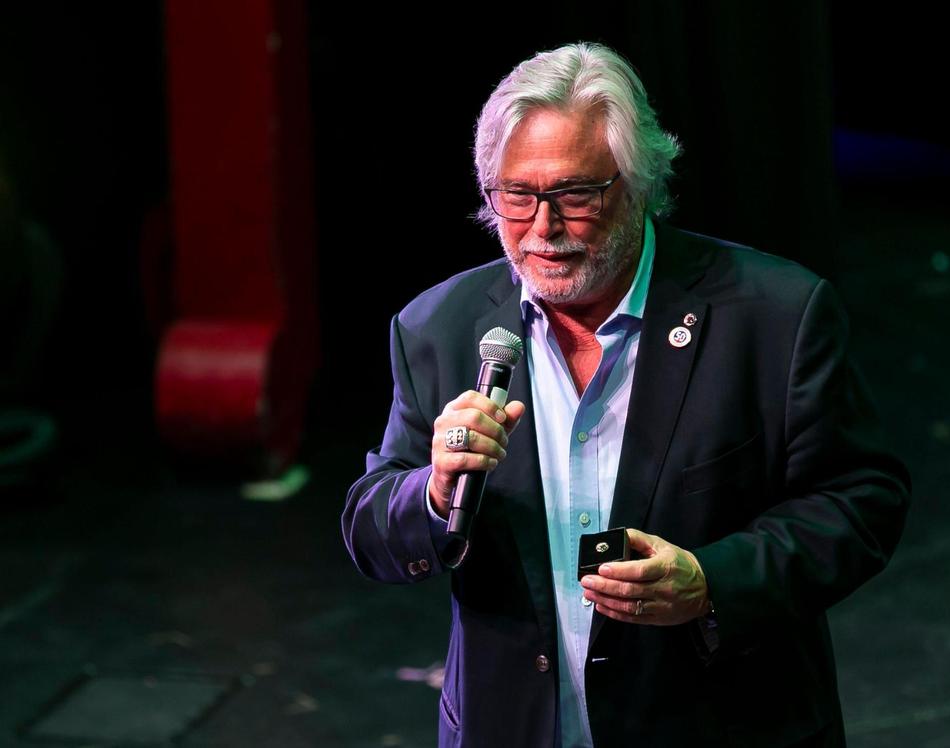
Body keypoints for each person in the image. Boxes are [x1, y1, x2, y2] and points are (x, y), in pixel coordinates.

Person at [342, 42, 910, 747]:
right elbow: (369, 528)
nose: (542, 230)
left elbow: (861, 501)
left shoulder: (773, 315)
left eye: (575, 195)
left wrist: (711, 582)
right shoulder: (439, 328)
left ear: (636, 182)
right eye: (516, 197)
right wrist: (434, 491)